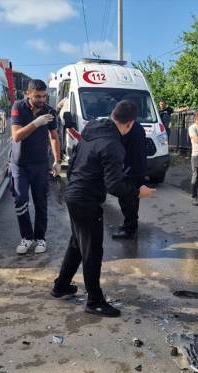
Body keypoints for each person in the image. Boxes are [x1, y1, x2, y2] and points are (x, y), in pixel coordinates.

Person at [52, 100, 155, 317]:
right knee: (92, 251)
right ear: (130, 124)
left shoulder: (91, 130)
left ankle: (61, 286)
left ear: (112, 114)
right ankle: (95, 301)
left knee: (77, 245)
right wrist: (138, 192)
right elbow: (115, 185)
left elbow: (73, 162)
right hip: (86, 200)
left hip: (73, 195)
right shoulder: (113, 144)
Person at [10, 79, 62, 255]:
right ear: (28, 94)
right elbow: (16, 136)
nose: (41, 99)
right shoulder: (18, 107)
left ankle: (40, 238)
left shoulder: (49, 111)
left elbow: (54, 137)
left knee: (41, 202)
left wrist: (57, 160)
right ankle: (26, 237)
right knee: (20, 199)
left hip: (40, 164)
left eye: (44, 96)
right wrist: (36, 123)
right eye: (37, 96)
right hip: (20, 164)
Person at [112, 120, 148, 240]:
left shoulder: (127, 128)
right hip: (138, 168)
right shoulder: (138, 126)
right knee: (132, 199)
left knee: (127, 200)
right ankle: (130, 225)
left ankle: (130, 230)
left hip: (129, 169)